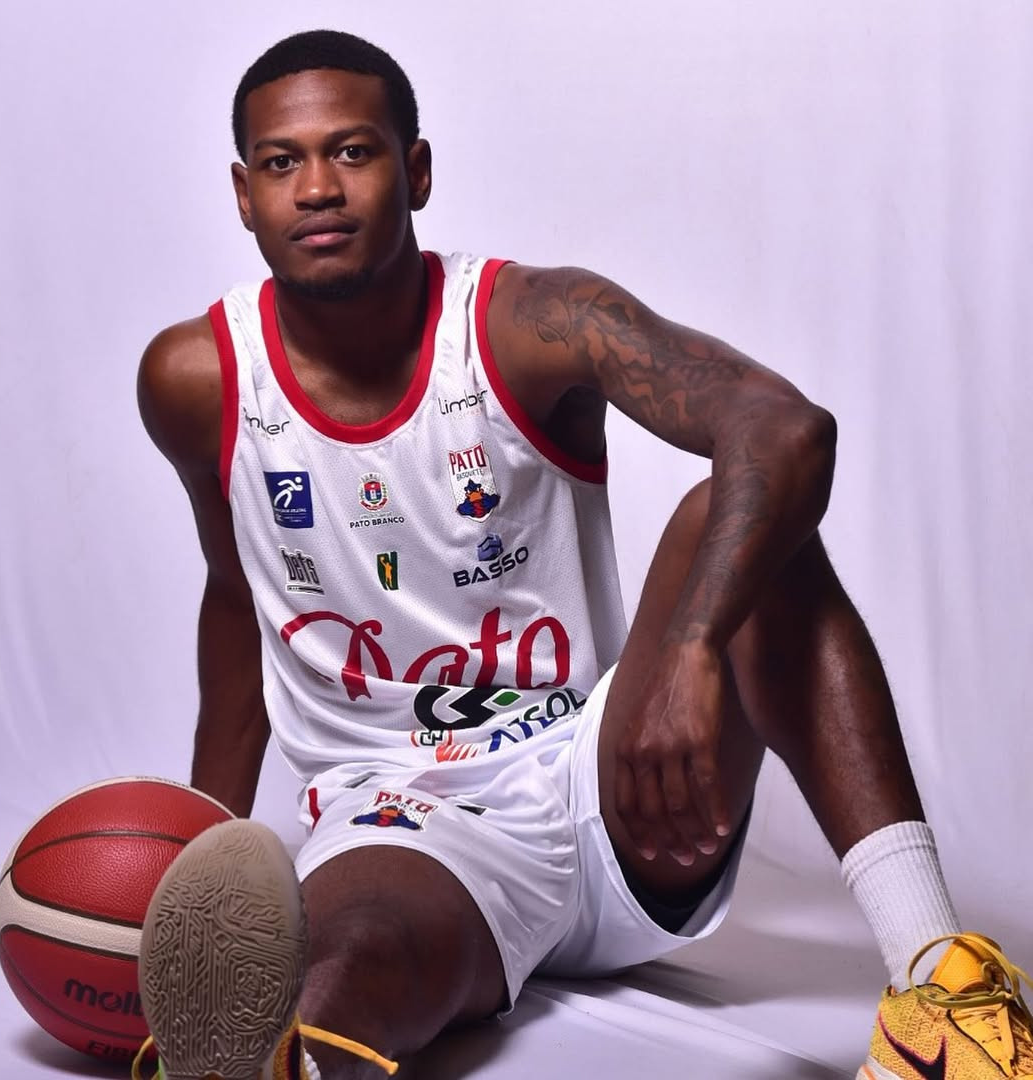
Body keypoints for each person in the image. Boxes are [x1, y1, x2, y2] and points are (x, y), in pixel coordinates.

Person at [132, 29, 1031, 1080]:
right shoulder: (198, 380)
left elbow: (784, 428)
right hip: (398, 822)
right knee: (347, 962)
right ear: (244, 194)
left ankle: (940, 988)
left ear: (416, 171)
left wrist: (692, 647)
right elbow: (237, 596)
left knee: (741, 513)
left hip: (615, 788)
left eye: (354, 151)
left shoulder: (530, 321)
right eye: (283, 161)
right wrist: (194, 857)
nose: (318, 187)